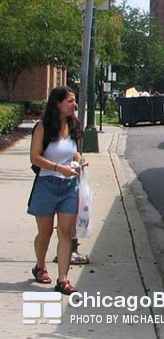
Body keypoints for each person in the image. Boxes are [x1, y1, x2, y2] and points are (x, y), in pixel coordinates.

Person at [28, 86, 86, 295]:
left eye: (74, 100)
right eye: (70, 101)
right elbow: (35, 157)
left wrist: (79, 160)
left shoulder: (74, 125)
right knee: (45, 232)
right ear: (57, 103)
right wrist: (58, 168)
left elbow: (75, 152)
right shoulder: (43, 127)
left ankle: (63, 279)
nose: (74, 104)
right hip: (47, 184)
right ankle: (40, 265)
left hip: (70, 186)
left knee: (65, 233)